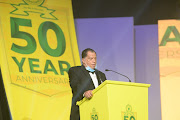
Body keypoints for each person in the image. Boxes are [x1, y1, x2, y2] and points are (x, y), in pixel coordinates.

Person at [68, 48, 107, 120]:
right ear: (83, 60)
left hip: (98, 113)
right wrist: (84, 93)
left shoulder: (101, 75)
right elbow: (75, 86)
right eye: (91, 59)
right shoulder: (75, 71)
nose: (94, 61)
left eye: (95, 58)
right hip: (81, 113)